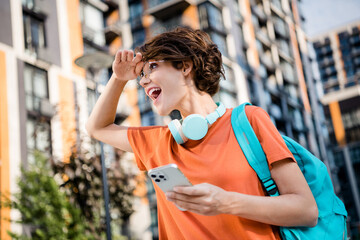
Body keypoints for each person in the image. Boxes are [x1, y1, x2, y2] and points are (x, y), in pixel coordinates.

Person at [86, 27, 318, 239]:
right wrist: (118, 78)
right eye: (141, 76)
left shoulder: (249, 120)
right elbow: (97, 128)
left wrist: (226, 202)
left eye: (153, 67)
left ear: (185, 66)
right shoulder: (158, 141)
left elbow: (306, 210)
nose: (143, 81)